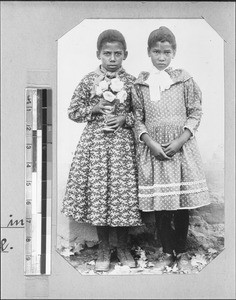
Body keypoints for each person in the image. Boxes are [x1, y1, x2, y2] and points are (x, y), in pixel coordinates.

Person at [62, 29, 142, 272]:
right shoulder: (89, 80)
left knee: (123, 195)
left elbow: (141, 113)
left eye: (118, 53)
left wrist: (124, 119)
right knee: (100, 194)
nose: (112, 58)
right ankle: (104, 247)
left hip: (122, 148)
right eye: (107, 53)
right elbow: (73, 112)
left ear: (125, 55)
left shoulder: (132, 82)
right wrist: (94, 108)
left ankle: (123, 246)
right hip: (96, 147)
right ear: (98, 54)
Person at [132, 26, 211, 271]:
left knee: (181, 205)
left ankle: (183, 252)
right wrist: (149, 142)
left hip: (181, 149)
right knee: (162, 207)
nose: (161, 57)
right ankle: (167, 251)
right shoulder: (141, 84)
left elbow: (196, 112)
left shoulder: (184, 80)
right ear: (148, 52)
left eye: (166, 51)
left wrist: (179, 140)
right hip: (155, 152)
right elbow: (136, 117)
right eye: (156, 51)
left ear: (174, 52)